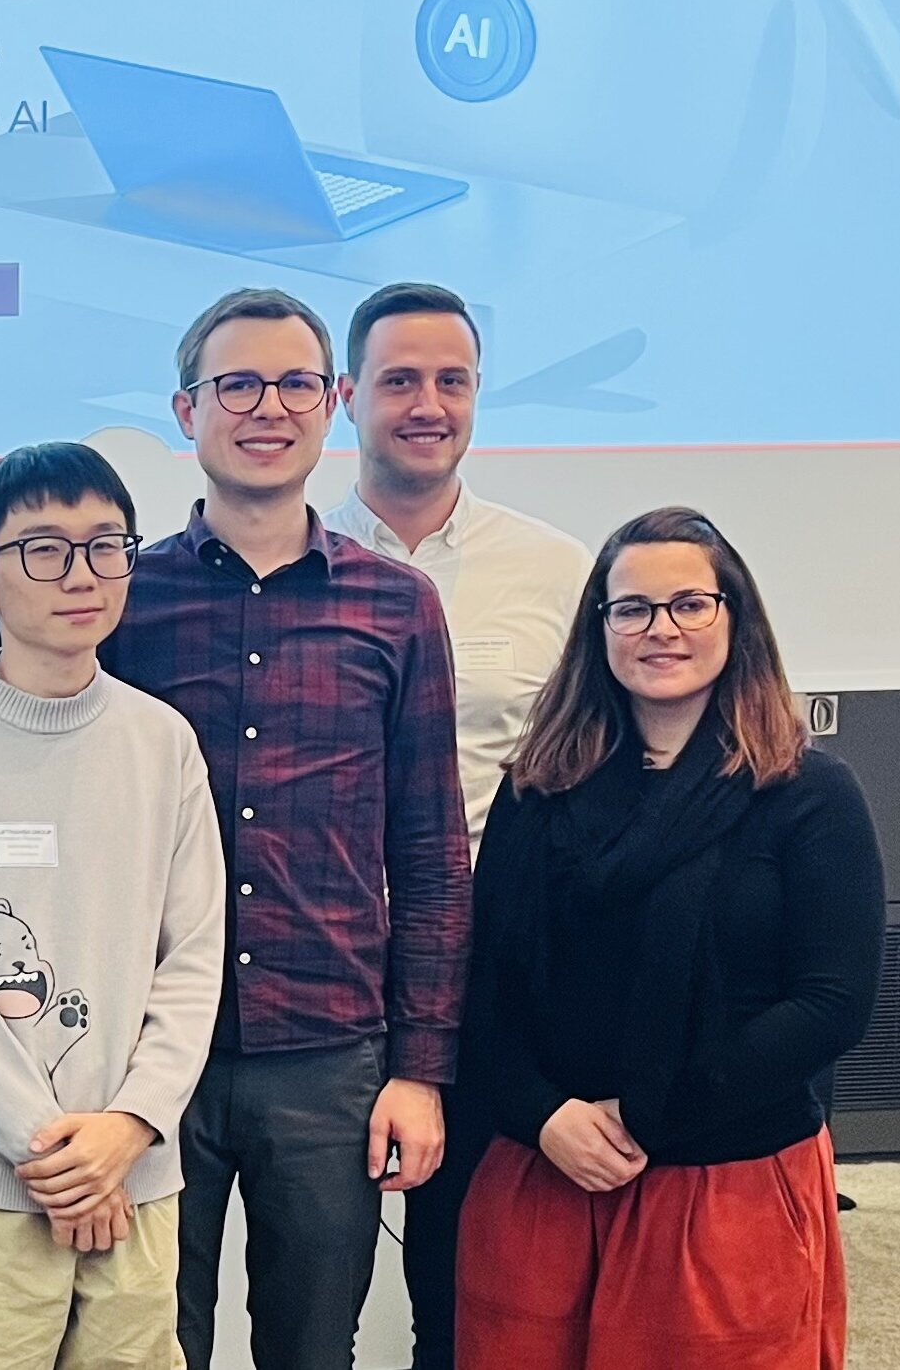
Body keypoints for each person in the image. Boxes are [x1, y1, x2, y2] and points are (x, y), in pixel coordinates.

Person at [99, 288, 467, 1370]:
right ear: (186, 410)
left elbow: (430, 855)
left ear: (333, 401)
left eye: (295, 383)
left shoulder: (398, 604)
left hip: (330, 1054)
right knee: (147, 1343)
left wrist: (420, 1069)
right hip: (147, 1050)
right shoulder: (122, 597)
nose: (268, 407)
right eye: (237, 385)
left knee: (312, 1348)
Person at [456, 509, 880, 1370]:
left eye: (690, 604)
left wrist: (647, 1114)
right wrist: (545, 1115)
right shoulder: (537, 791)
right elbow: (485, 983)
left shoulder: (807, 792)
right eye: (633, 609)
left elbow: (832, 1003)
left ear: (735, 618)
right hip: (548, 1172)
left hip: (725, 1187)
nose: (662, 629)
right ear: (599, 628)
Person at [0, 442, 225, 1370]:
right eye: (44, 549)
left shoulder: (164, 741)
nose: (81, 574)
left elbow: (192, 960)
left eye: (106, 545)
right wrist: (55, 1154)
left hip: (134, 1171)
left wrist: (127, 1130)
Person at [327, 281, 592, 1370]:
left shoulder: (556, 572)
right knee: (306, 1286)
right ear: (347, 395)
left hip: (488, 975)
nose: (426, 404)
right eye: (399, 380)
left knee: (464, 1283)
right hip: (322, 974)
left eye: (451, 380)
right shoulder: (288, 564)